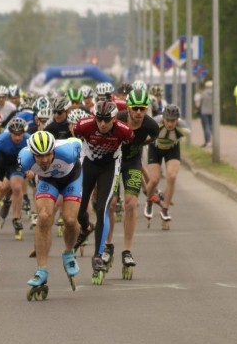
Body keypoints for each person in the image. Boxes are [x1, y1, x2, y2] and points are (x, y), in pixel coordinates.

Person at [72, 101, 134, 284]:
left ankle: (98, 255)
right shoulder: (83, 125)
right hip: (88, 163)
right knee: (79, 209)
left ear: (114, 118)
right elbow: (76, 137)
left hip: (109, 166)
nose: (103, 123)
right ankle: (86, 228)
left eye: (107, 120)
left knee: (102, 207)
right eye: (99, 119)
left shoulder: (124, 131)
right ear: (94, 117)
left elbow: (132, 144)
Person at [17, 131, 83, 299]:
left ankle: (68, 252)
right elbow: (25, 172)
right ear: (32, 154)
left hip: (72, 177)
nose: (45, 160)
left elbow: (79, 143)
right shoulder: (24, 159)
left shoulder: (68, 152)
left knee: (69, 219)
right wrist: (29, 174)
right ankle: (41, 269)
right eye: (39, 156)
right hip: (48, 180)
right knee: (44, 217)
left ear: (53, 150)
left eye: (48, 154)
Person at [108, 89, 161, 274]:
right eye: (135, 108)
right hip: (112, 163)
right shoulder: (117, 119)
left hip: (132, 162)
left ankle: (127, 250)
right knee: (111, 203)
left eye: (142, 109)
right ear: (128, 108)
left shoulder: (151, 126)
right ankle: (108, 245)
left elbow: (152, 137)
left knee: (131, 204)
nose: (139, 112)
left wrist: (139, 145)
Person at [145, 104, 188, 226]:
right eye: (167, 120)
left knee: (172, 177)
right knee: (154, 180)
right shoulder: (155, 123)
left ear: (177, 119)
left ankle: (165, 209)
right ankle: (149, 200)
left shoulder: (183, 128)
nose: (170, 124)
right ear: (163, 118)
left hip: (172, 149)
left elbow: (186, 133)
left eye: (173, 121)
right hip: (155, 148)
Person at [0, 117, 31, 239]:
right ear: (9, 132)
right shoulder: (0, 141)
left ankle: (16, 219)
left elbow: (36, 156)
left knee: (17, 187)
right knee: (1, 189)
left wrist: (31, 169)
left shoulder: (29, 140)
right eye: (14, 134)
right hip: (1, 164)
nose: (18, 137)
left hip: (17, 164)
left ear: (24, 132)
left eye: (20, 134)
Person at [198, 80, 214, 147]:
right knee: (212, 126)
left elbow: (200, 103)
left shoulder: (203, 93)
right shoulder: (215, 93)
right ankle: (215, 141)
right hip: (213, 112)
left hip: (204, 112)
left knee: (206, 126)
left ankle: (208, 142)